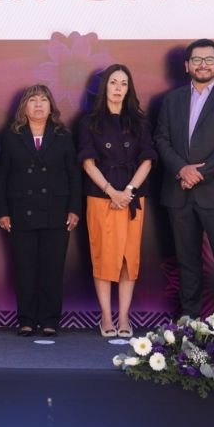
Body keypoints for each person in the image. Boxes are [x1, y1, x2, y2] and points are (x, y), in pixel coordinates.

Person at [154, 39, 214, 319]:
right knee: (186, 262)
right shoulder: (171, 100)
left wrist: (198, 173)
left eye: (209, 59)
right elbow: (160, 138)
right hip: (178, 192)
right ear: (187, 66)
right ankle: (190, 324)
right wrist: (181, 169)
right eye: (197, 59)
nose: (203, 64)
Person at [0, 84, 81, 337]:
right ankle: (27, 319)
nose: (39, 104)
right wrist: (2, 211)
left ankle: (50, 319)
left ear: (51, 106)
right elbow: (1, 176)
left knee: (52, 269)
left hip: (57, 211)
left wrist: (74, 208)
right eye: (33, 100)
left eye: (44, 100)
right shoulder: (11, 135)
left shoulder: (63, 135)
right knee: (25, 269)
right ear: (24, 107)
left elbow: (74, 175)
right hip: (20, 211)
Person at [78, 65, 156, 338]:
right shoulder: (89, 121)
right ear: (105, 87)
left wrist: (129, 190)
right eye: (113, 82)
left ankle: (124, 318)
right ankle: (105, 318)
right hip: (101, 195)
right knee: (103, 256)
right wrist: (112, 191)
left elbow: (148, 159)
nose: (118, 87)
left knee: (127, 259)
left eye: (124, 82)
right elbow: (87, 163)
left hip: (133, 197)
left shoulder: (140, 120)